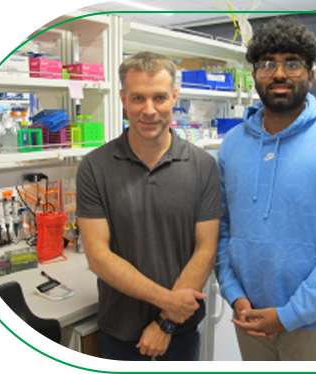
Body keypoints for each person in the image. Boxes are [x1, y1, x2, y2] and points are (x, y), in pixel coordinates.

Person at [215, 17, 316, 361]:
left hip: (311, 322)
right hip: (249, 316)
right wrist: (235, 295)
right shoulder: (232, 146)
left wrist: (289, 315)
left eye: (293, 63)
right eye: (267, 63)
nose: (279, 74)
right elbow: (222, 230)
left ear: (310, 75)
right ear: (255, 74)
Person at [76, 51, 222, 361]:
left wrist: (165, 324)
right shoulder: (94, 167)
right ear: (123, 99)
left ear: (174, 97)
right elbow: (99, 257)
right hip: (119, 331)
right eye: (138, 98)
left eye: (159, 97)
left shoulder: (203, 166)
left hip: (180, 333)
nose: (149, 110)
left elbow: (205, 249)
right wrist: (169, 302)